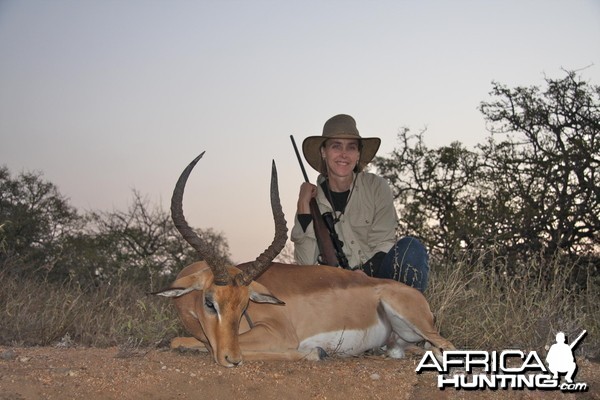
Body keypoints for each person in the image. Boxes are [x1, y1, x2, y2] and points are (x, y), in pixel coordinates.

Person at [291, 114, 430, 292]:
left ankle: (410, 315)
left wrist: (362, 277)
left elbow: (383, 242)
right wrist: (303, 208)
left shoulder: (376, 187)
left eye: (351, 147)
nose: (344, 154)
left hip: (377, 280)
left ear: (358, 154)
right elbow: (305, 265)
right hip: (336, 290)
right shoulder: (310, 202)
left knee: (412, 248)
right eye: (336, 146)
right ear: (323, 152)